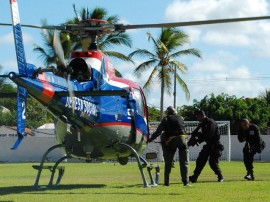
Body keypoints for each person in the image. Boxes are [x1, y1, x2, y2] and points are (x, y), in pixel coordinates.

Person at [147, 106, 190, 186]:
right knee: (184, 161)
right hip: (183, 140)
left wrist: (150, 139)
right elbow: (184, 129)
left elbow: (158, 131)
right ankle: (186, 182)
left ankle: (167, 182)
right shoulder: (181, 118)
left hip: (172, 141)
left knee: (168, 162)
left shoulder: (166, 119)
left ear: (168, 112)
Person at [188, 109, 224, 183]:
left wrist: (198, 140)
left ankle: (220, 176)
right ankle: (194, 177)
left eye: (197, 117)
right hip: (208, 145)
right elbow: (195, 132)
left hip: (215, 145)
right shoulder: (202, 123)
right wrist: (191, 141)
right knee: (200, 160)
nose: (197, 118)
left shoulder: (211, 122)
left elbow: (208, 134)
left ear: (201, 116)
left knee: (212, 162)